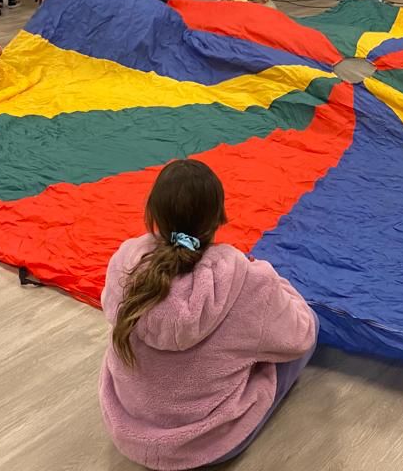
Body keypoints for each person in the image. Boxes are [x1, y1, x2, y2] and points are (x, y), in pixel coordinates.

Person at [99, 159, 319, 470]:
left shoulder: (125, 262)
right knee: (307, 327)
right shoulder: (247, 281)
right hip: (204, 442)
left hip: (130, 428)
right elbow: (300, 336)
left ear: (153, 213)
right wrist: (272, 283)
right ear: (219, 217)